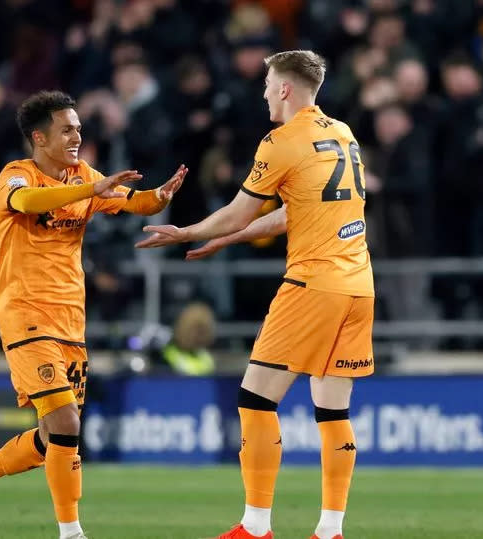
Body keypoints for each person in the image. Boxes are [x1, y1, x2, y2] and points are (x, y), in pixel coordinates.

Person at [137, 50, 374, 539]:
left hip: (312, 284)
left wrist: (188, 232)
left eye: (268, 84)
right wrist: (227, 238)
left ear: (285, 88)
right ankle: (330, 531)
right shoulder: (342, 133)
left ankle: (255, 527)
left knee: (256, 400)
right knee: (333, 411)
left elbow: (237, 211)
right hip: (358, 286)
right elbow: (297, 212)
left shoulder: (281, 142)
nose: (264, 91)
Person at [0, 90, 186, 539]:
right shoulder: (15, 176)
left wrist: (159, 195)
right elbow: (26, 205)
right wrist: (90, 188)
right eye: (68, 128)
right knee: (67, 423)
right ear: (40, 138)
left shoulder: (85, 175)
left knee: (50, 440)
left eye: (78, 127)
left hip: (70, 320)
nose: (78, 134)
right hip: (24, 313)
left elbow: (134, 201)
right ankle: (71, 532)